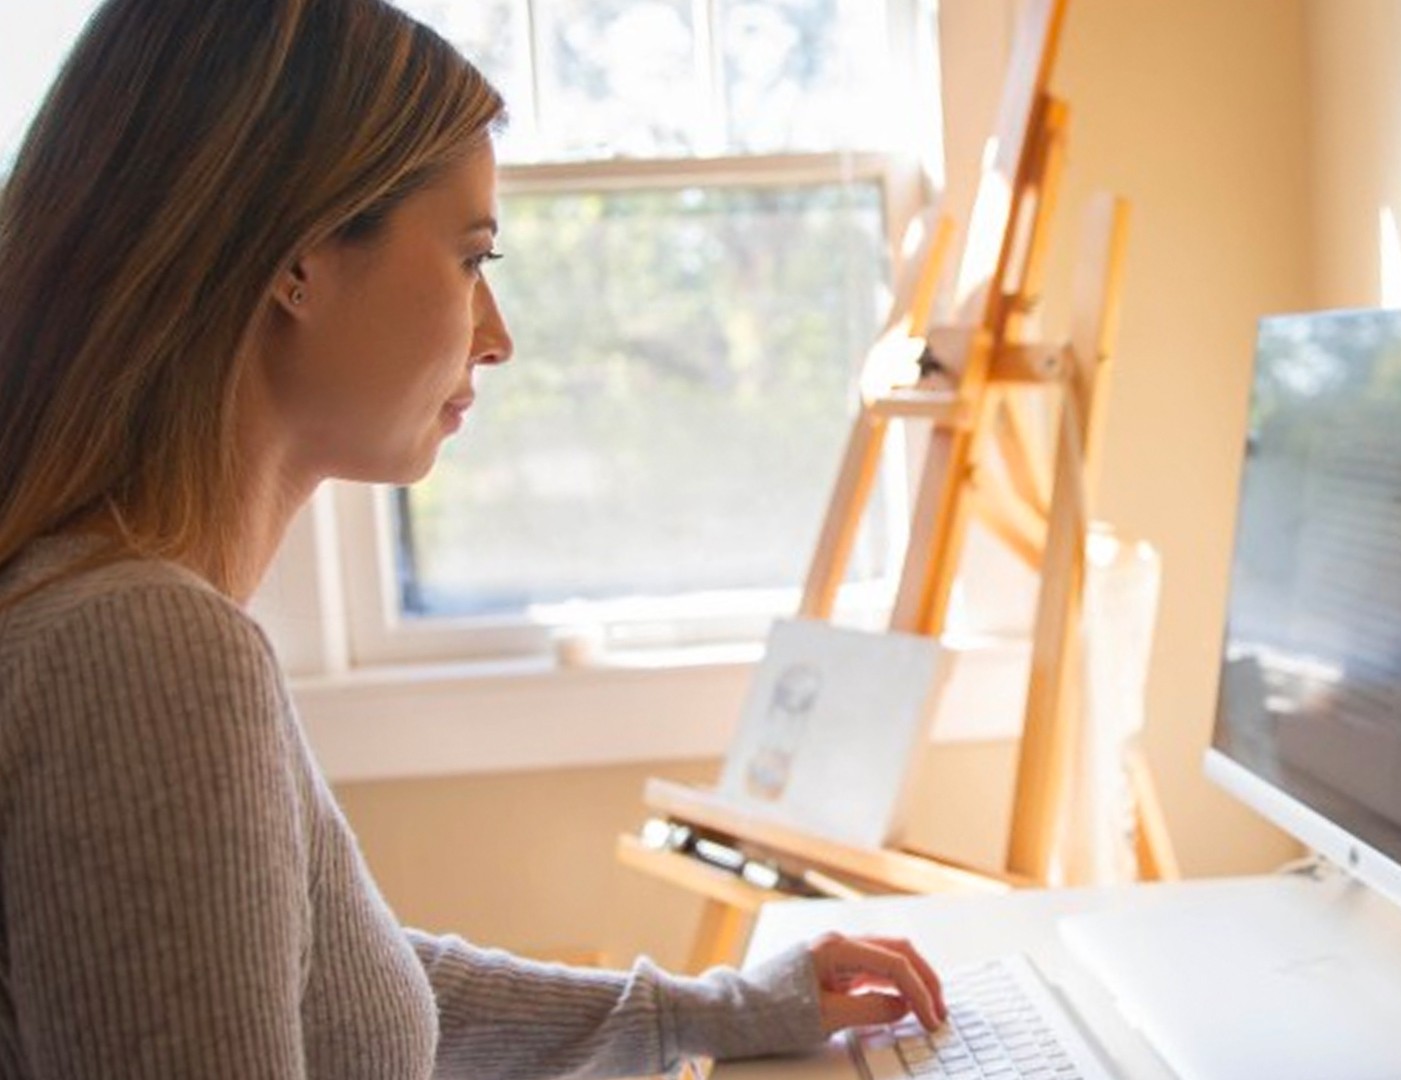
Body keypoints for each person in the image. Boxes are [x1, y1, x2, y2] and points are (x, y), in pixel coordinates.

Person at [0, 0, 945, 1075]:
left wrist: (707, 1012)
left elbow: (340, 989)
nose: (496, 336)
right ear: (297, 260)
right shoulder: (145, 650)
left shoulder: (120, 619)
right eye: (471, 257)